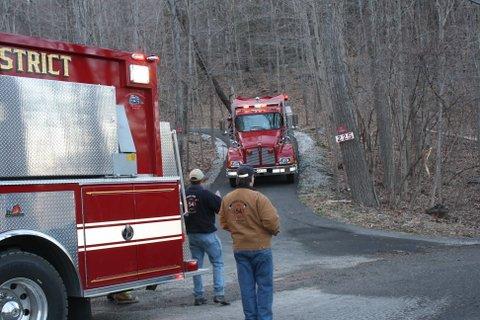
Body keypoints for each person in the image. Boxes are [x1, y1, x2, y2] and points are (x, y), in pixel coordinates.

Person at [219, 165, 280, 320]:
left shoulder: (227, 199)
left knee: (246, 287)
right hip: (261, 247)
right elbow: (271, 222)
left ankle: (250, 317)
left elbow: (224, 223)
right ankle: (264, 317)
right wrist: (274, 231)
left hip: (240, 249)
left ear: (238, 178)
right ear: (251, 179)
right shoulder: (259, 198)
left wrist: (238, 229)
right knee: (264, 286)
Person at [185, 168, 230, 306]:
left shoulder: (183, 194)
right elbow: (221, 209)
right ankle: (219, 294)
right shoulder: (206, 194)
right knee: (217, 263)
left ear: (190, 180)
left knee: (196, 266)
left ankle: (198, 296)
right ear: (202, 180)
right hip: (208, 235)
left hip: (192, 235)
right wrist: (217, 197)